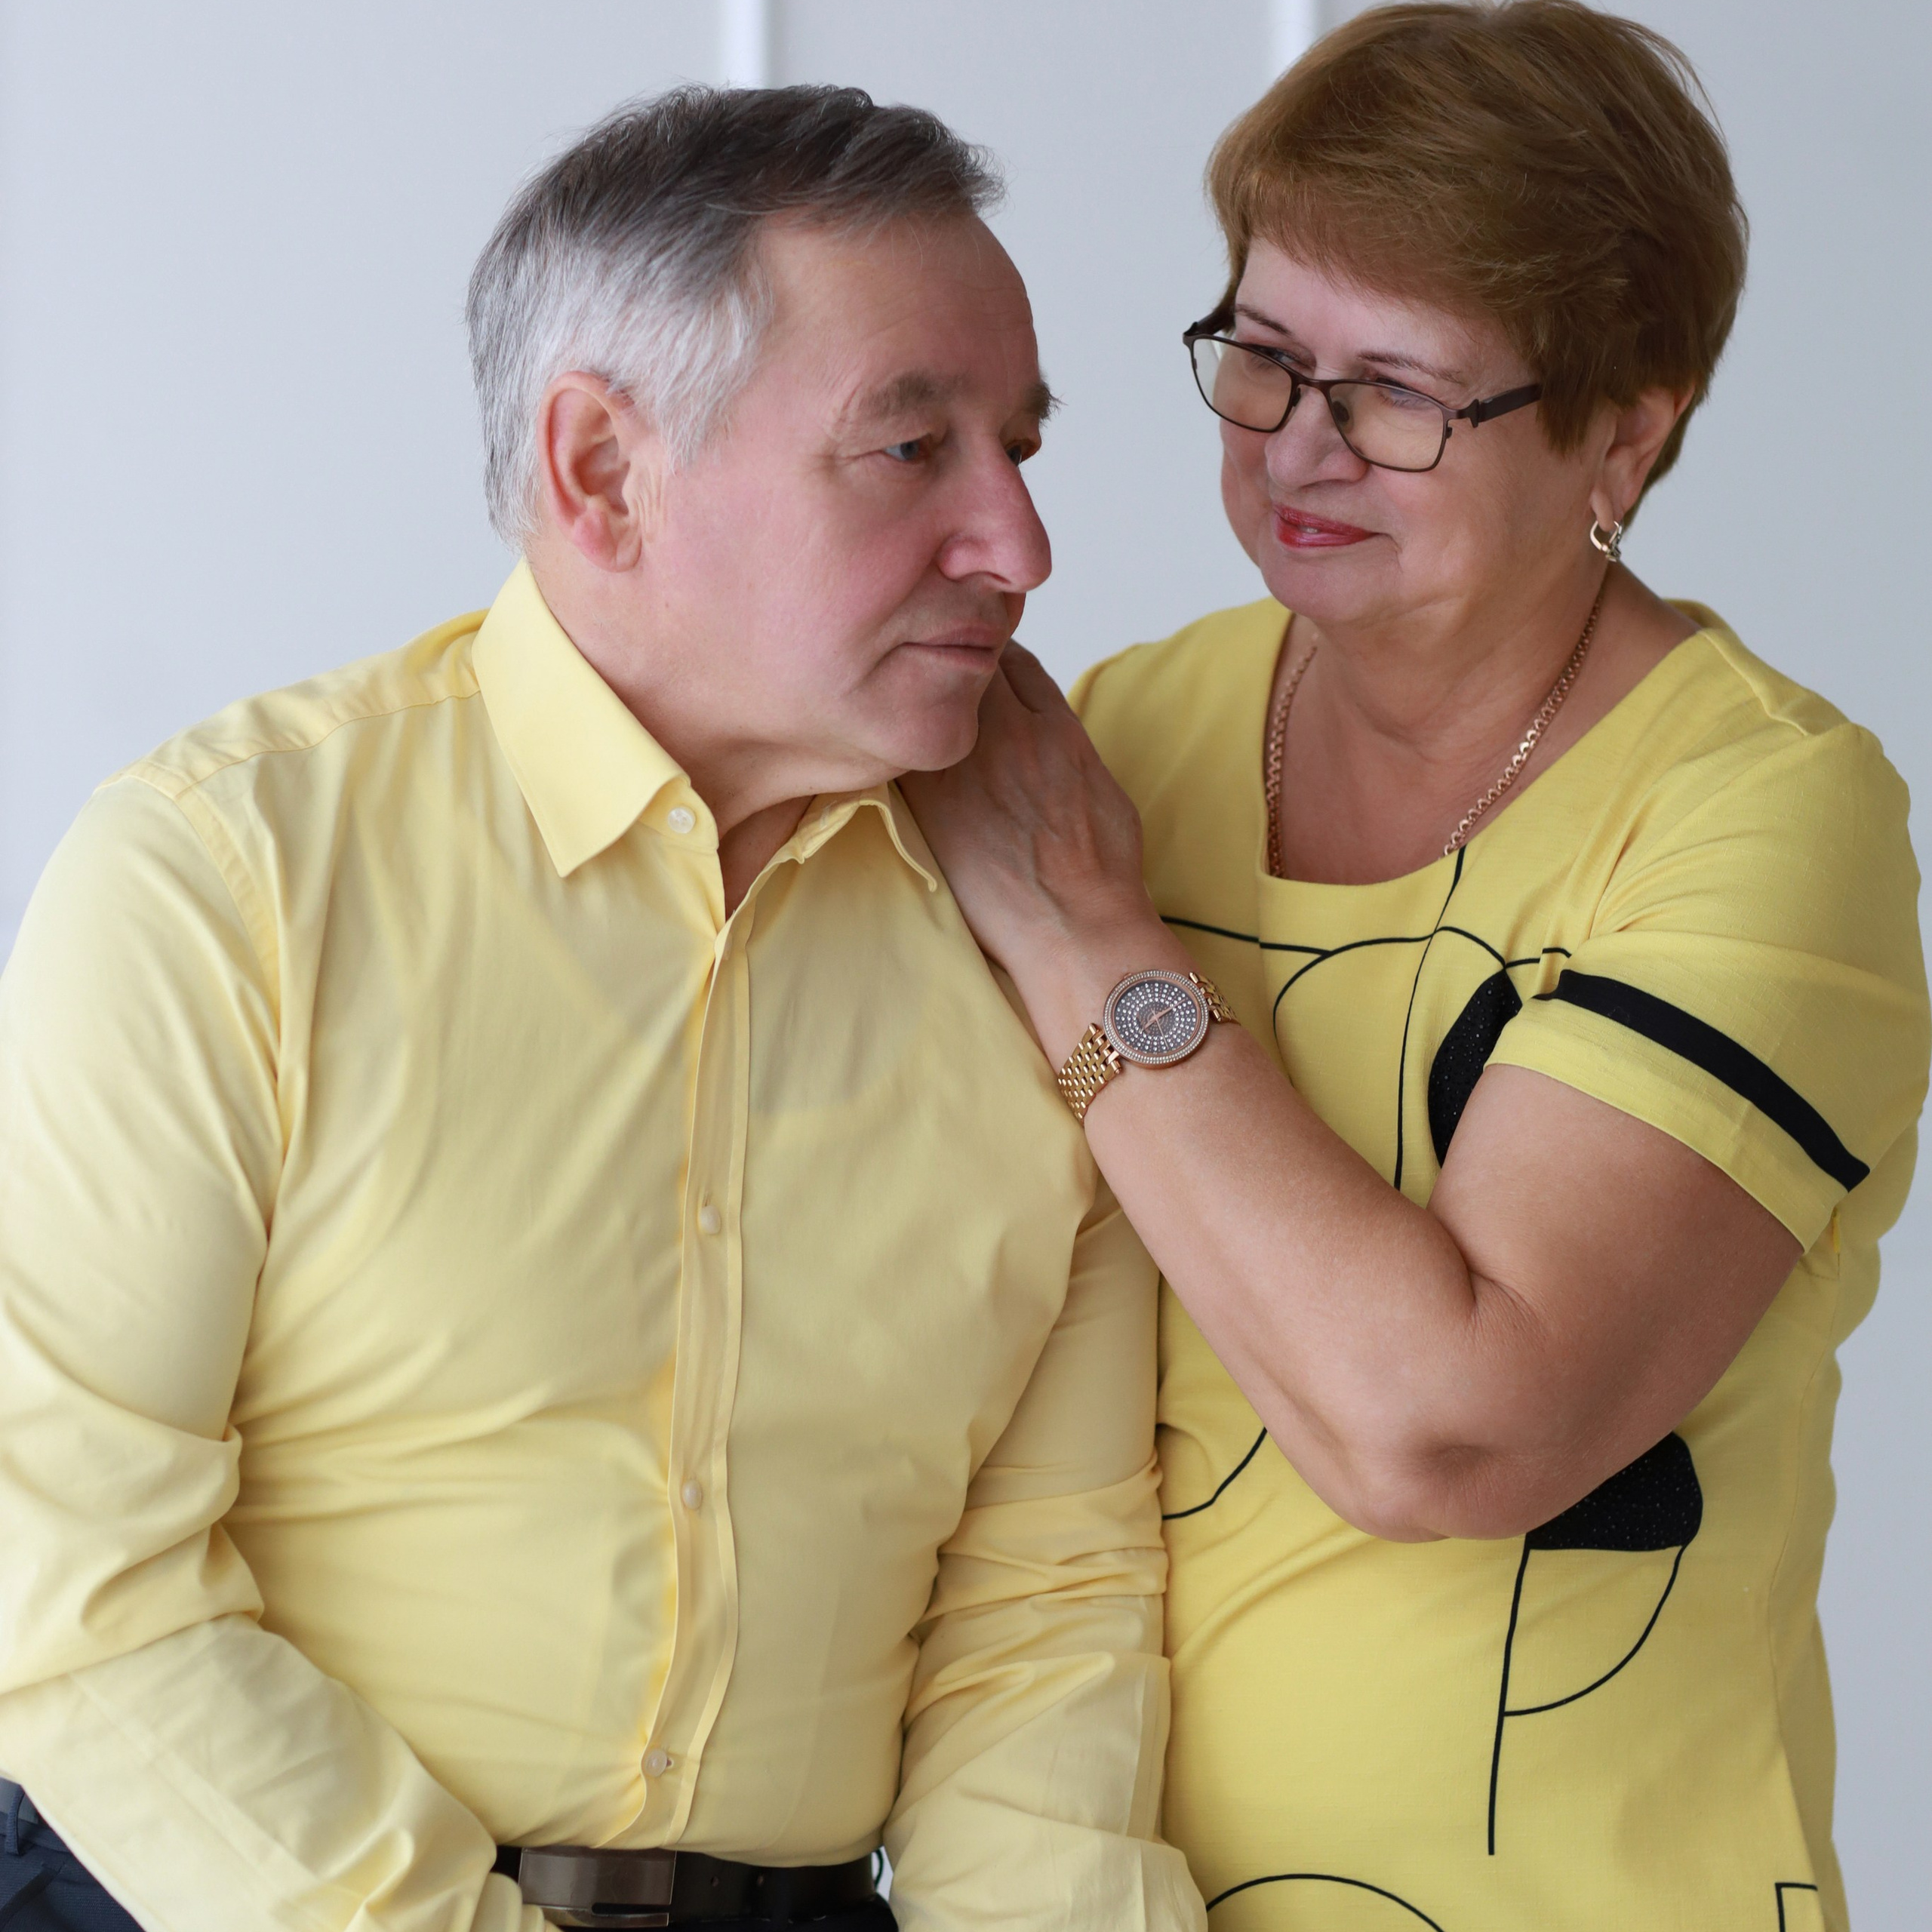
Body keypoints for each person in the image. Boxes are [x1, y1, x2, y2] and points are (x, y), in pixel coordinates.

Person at [0, 88, 1206, 1932]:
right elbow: (66, 1582)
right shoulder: (226, 875)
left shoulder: (1043, 933)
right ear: (602, 470)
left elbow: (1042, 1617)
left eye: (1021, 447)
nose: (1019, 546)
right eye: (911, 448)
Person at [903, 5, 1930, 1928]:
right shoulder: (1131, 728)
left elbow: (1448, 1424)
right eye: (1263, 357)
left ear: (1628, 423)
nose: (1299, 444)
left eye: (1395, 392)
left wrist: (1093, 940)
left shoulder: (1765, 818)